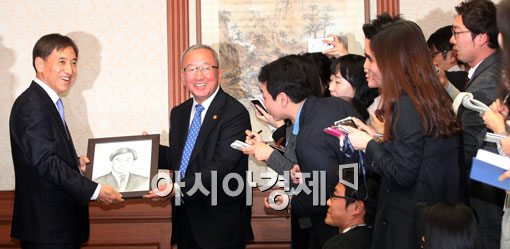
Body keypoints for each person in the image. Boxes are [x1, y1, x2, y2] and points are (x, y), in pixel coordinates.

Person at [345, 20, 465, 249]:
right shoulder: (429, 96)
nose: (366, 66)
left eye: (371, 59)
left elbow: (403, 173)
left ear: (391, 62)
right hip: (432, 219)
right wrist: (378, 140)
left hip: (410, 223)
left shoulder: (407, 104)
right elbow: (418, 153)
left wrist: (369, 144)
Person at [9, 33, 123, 249]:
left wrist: (74, 163)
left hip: (57, 228)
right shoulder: (32, 105)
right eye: (61, 61)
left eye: (73, 62)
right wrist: (96, 191)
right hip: (47, 231)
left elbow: (47, 156)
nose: (70, 70)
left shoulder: (46, 102)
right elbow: (45, 162)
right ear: (40, 64)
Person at [144, 44, 253, 249]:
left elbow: (224, 166)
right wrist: (148, 150)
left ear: (218, 73)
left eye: (205, 67)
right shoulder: (179, 113)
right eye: (191, 69)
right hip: (185, 219)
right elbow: (181, 157)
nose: (199, 75)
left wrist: (177, 188)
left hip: (220, 224)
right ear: (183, 77)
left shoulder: (235, 113)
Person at [253, 54, 361, 249]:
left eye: (265, 96)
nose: (264, 103)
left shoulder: (309, 136)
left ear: (283, 99)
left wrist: (286, 201)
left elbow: (320, 196)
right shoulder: (336, 105)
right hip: (360, 215)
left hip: (334, 228)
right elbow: (348, 165)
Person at [449, 2, 503, 248]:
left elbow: (471, 154)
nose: (452, 40)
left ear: (481, 37)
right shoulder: (489, 73)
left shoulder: (487, 84)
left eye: (457, 32)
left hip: (486, 199)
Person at [323, 169, 379, 249]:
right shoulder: (377, 238)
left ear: (357, 207)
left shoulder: (339, 245)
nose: (328, 202)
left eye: (335, 196)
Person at [328, 54, 378, 121]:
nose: (330, 88)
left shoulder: (374, 117)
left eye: (337, 82)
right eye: (331, 80)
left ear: (359, 85)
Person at [427, 25, 468, 91]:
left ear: (452, 56)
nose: (429, 61)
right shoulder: (470, 78)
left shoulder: (451, 80)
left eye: (432, 56)